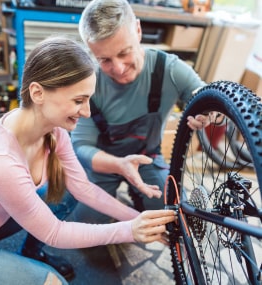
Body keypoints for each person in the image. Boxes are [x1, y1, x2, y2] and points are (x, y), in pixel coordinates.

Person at [0, 36, 177, 285]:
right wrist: (129, 231)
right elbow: (54, 232)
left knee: (67, 189)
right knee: (55, 283)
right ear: (37, 93)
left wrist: (138, 219)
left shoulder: (54, 132)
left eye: (88, 100)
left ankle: (31, 253)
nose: (86, 112)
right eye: (78, 101)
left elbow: (83, 188)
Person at [71, 0, 215, 224]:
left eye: (124, 52)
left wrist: (207, 112)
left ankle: (139, 196)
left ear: (137, 30)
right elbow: (80, 147)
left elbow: (205, 95)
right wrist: (120, 166)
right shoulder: (90, 84)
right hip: (103, 163)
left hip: (147, 157)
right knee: (87, 223)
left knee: (172, 212)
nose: (118, 68)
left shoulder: (168, 69)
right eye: (105, 60)